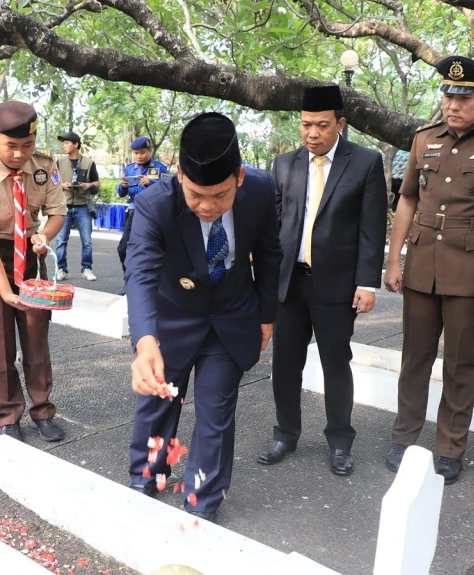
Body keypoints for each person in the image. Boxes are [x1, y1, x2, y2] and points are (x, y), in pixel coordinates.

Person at [126, 112, 281, 523]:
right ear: (179, 175)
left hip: (231, 317)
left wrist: (267, 315)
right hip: (172, 319)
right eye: (196, 195)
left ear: (240, 177)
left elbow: (269, 254)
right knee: (159, 404)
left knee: (215, 411)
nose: (208, 207)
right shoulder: (153, 204)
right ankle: (149, 475)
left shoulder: (262, 191)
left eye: (220, 196)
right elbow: (139, 273)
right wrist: (145, 342)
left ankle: (202, 500)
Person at [383, 56, 474, 484]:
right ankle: (405, 437)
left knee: (460, 363)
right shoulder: (423, 138)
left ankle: (450, 447)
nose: (453, 104)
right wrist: (395, 259)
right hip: (422, 263)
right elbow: (406, 199)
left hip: (470, 267)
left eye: (464, 97)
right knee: (414, 358)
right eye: (448, 95)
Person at [257, 85, 388, 475]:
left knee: (336, 363)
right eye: (306, 125)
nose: (312, 133)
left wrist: (368, 283)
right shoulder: (284, 165)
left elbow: (371, 229)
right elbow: (272, 227)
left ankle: (340, 441)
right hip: (289, 284)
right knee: (285, 364)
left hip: (336, 286)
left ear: (340, 125)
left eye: (321, 125)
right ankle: (286, 434)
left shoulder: (364, 162)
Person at [0, 101, 68, 443]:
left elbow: (57, 213)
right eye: (11, 146)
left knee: (36, 336)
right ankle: (8, 416)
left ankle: (42, 410)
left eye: (28, 145)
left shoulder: (45, 165)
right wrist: (5, 292)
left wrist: (43, 236)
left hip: (31, 254)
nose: (21, 154)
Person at [117, 137, 169, 278]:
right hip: (134, 211)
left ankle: (154, 281)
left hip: (154, 214)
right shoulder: (129, 169)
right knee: (123, 249)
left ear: (150, 151)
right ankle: (129, 278)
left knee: (152, 249)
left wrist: (151, 183)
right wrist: (122, 187)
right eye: (136, 153)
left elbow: (168, 192)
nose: (139, 156)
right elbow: (121, 194)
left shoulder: (160, 168)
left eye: (142, 152)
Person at [53, 131, 101, 281]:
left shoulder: (89, 162)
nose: (64, 145)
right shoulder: (59, 162)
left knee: (87, 241)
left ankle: (87, 269)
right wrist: (62, 185)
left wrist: (88, 185)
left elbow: (97, 183)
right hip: (64, 206)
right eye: (64, 143)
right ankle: (61, 269)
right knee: (61, 240)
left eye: (67, 143)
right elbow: (51, 182)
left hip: (83, 206)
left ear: (76, 144)